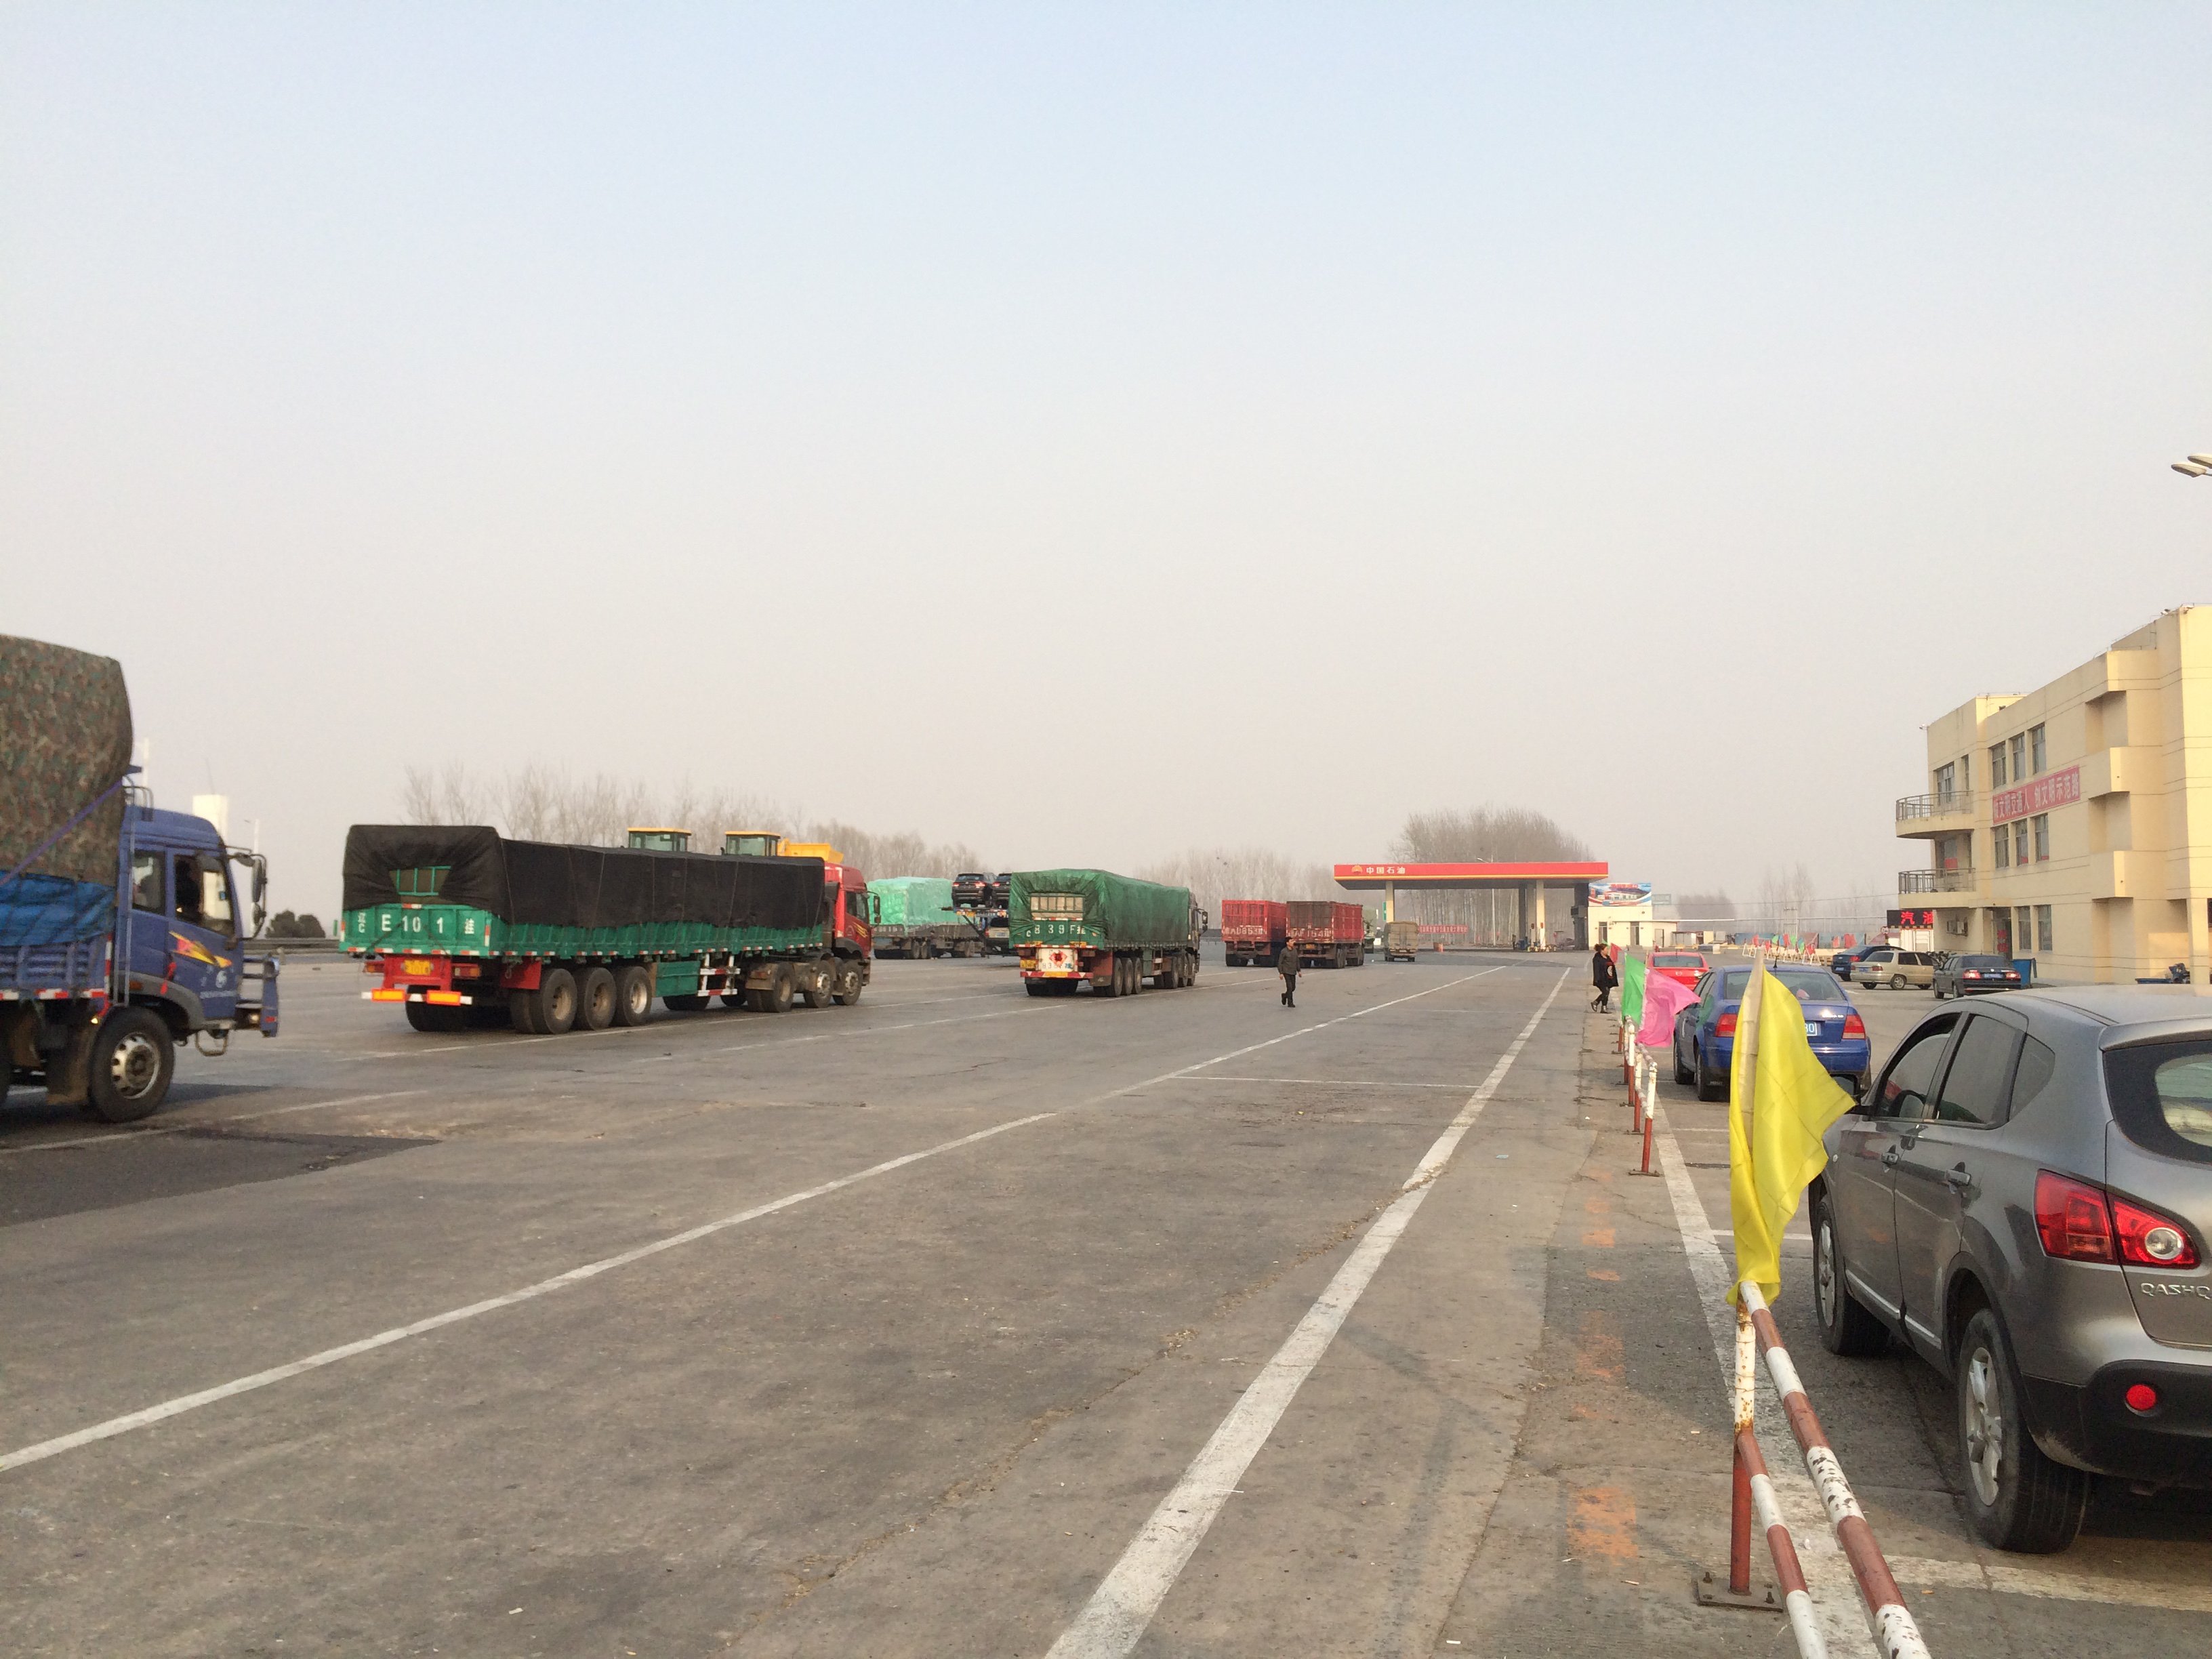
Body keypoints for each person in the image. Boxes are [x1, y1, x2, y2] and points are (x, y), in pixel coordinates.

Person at [1591, 941, 1618, 1011]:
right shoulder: (1597, 958)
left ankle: (1604, 1008)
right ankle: (1595, 1002)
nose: (1607, 951)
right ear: (1602, 950)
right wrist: (1597, 979)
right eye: (1606, 949)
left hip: (1608, 979)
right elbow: (1596, 969)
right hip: (1601, 979)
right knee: (1605, 992)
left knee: (1606, 992)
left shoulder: (1607, 957)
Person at [1279, 942, 1301, 1008]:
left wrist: (1299, 971)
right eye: (1291, 941)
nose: (1293, 942)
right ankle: (1290, 1003)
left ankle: (1285, 996)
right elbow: (1280, 962)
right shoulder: (1284, 951)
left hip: (1293, 971)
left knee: (1293, 988)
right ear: (1287, 943)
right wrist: (1281, 973)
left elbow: (1297, 961)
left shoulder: (1294, 951)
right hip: (1286, 972)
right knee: (1290, 987)